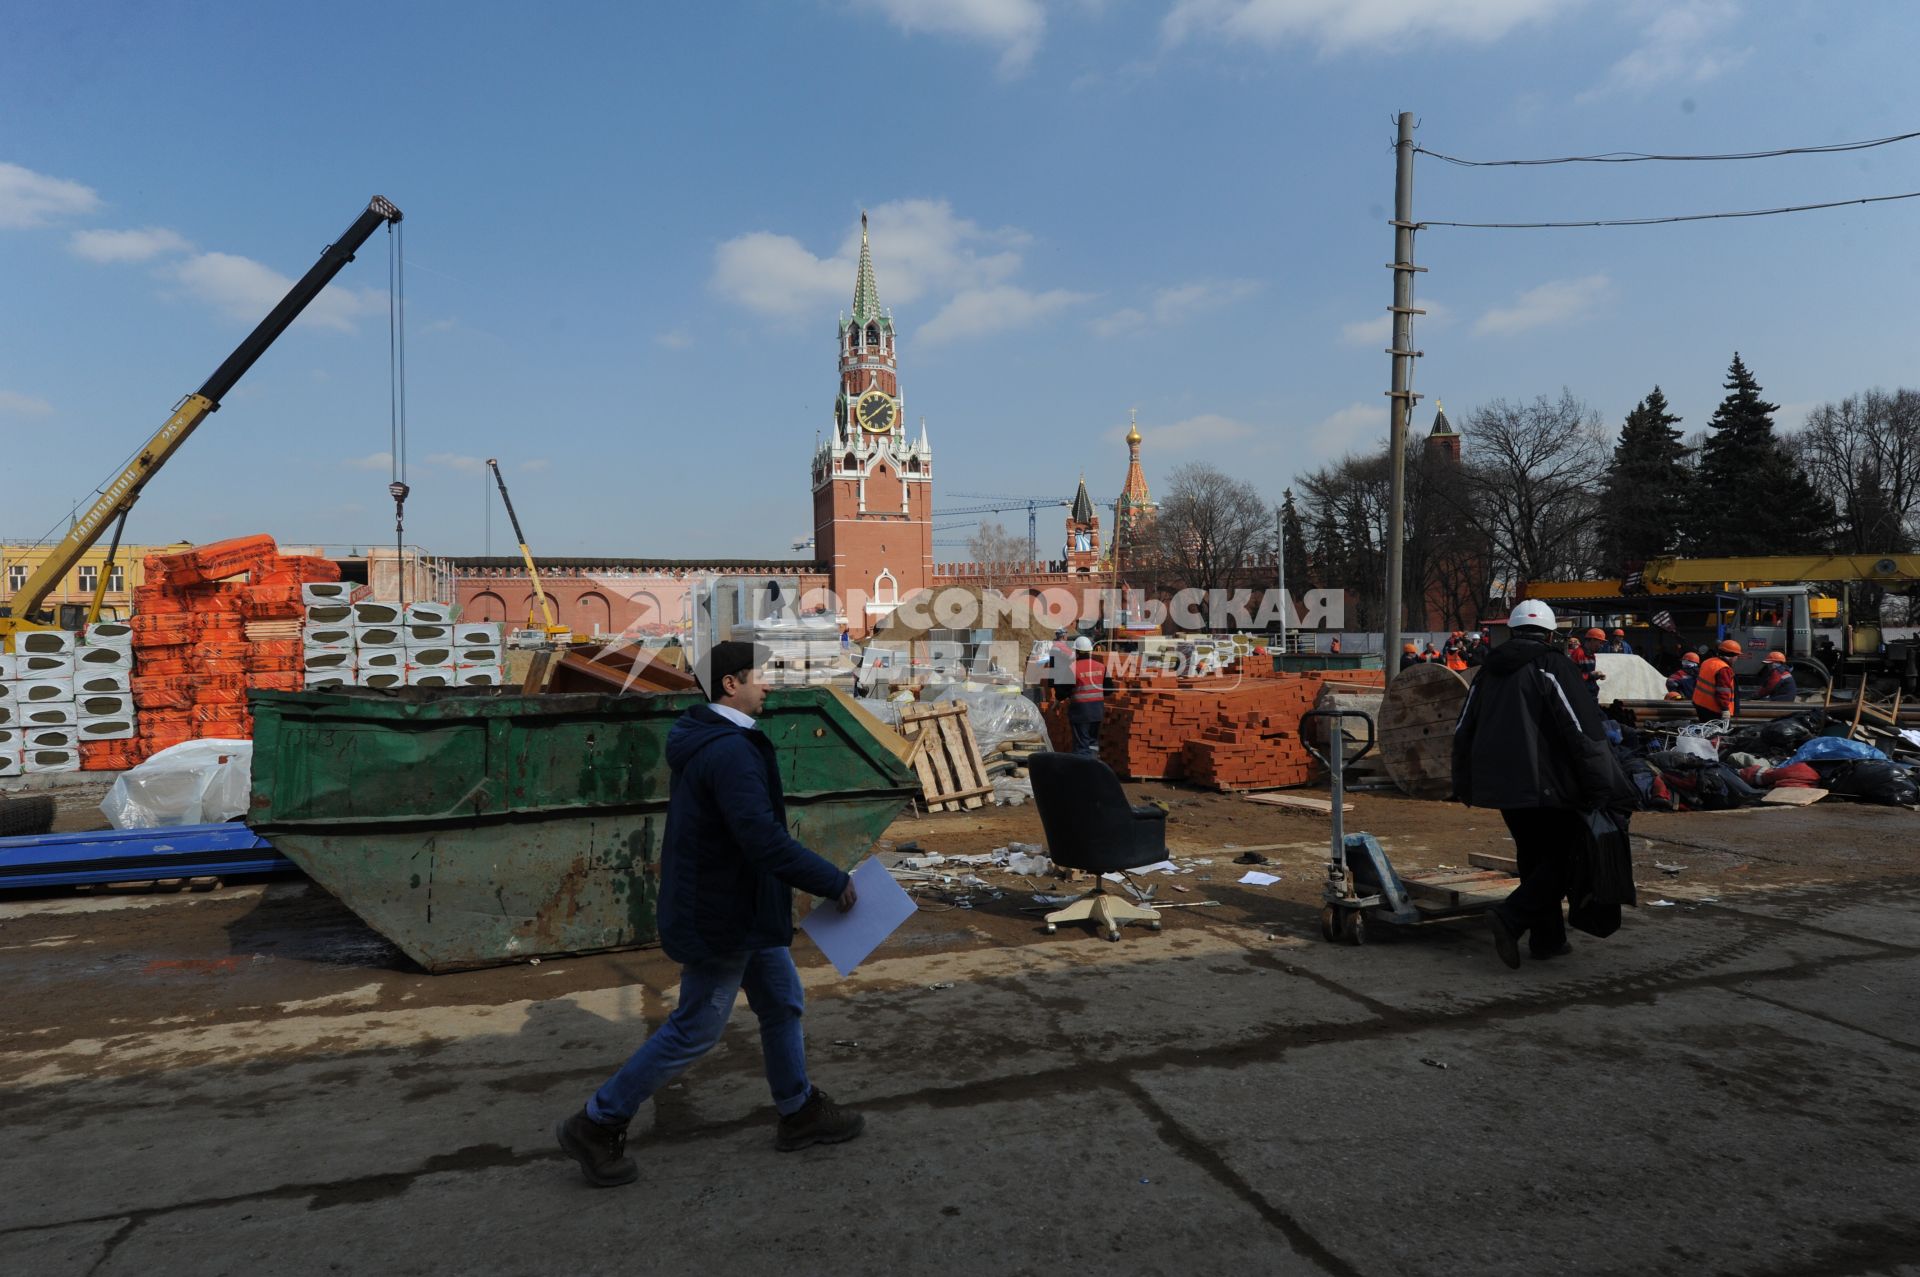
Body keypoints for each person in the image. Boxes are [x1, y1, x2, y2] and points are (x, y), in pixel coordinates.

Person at [557, 641, 864, 1188]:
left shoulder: (720, 739)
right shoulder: (729, 751)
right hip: (723, 912)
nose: (768, 685)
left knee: (782, 1001)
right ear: (730, 684)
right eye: (761, 676)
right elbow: (761, 840)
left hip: (740, 906)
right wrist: (832, 881)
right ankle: (597, 1121)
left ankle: (798, 1111)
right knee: (696, 1027)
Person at [1452, 600, 1629, 968]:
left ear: (1513, 631)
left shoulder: (1487, 672)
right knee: (1566, 860)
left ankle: (1548, 940)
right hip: (1549, 786)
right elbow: (1583, 733)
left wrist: (1464, 783)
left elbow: (1462, 730)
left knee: (1535, 858)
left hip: (1503, 788)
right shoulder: (1553, 666)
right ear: (1551, 634)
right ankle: (1511, 917)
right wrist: (1603, 788)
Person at [1068, 635, 1107, 755]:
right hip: (1097, 711)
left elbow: (1065, 690)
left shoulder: (1072, 668)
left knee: (1082, 744)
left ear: (1077, 652)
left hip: (1081, 712)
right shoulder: (1101, 667)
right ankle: (1093, 766)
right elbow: (1109, 688)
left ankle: (1082, 771)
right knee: (1093, 743)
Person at [1693, 638, 1741, 723]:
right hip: (1713, 709)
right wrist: (1725, 709)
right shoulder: (1724, 669)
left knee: (1706, 731)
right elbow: (1723, 691)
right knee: (1718, 734)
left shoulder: (1707, 662)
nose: (1737, 658)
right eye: (1737, 655)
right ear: (1732, 656)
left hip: (1700, 704)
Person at [1570, 628, 1604, 698]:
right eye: (1600, 642)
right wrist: (1590, 675)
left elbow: (1588, 675)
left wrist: (1597, 676)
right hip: (1581, 695)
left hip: (1591, 693)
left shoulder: (1592, 655)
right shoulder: (1578, 654)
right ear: (1592, 640)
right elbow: (1572, 676)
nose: (1601, 645)